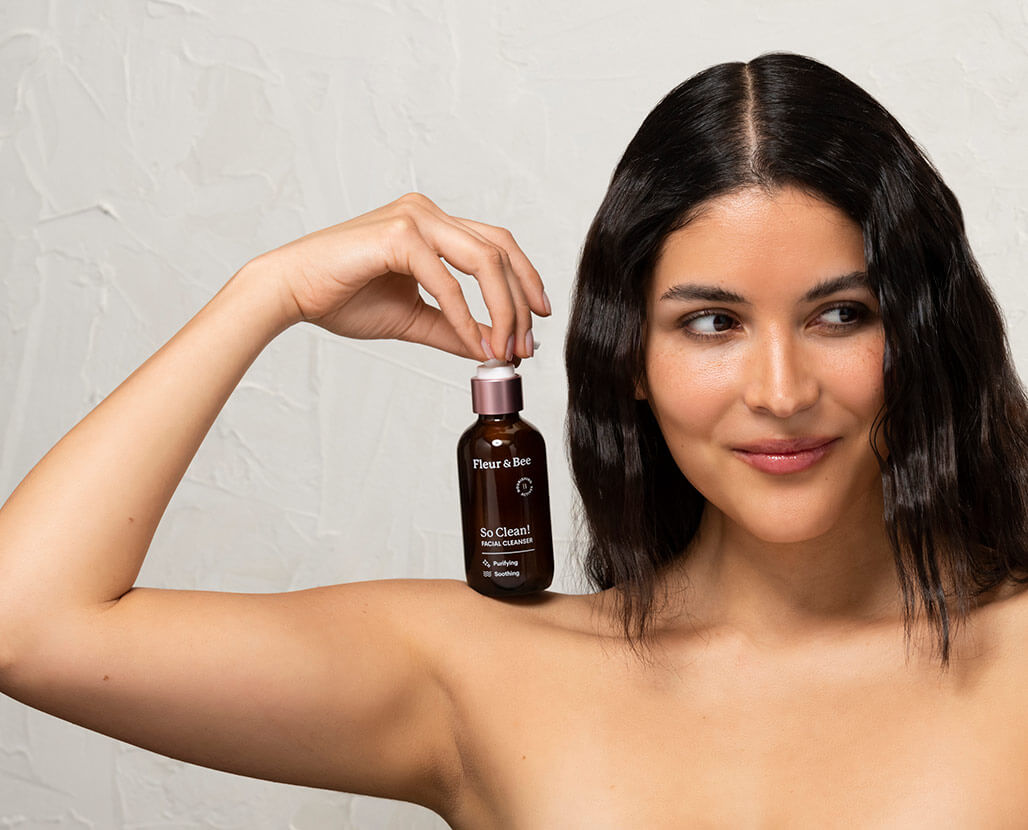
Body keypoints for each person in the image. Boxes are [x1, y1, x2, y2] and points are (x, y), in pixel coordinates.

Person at [1, 51, 1026, 826]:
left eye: (839, 313)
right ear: (629, 355)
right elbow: (29, 622)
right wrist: (266, 292)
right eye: (709, 322)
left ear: (921, 330)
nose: (778, 388)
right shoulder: (484, 670)